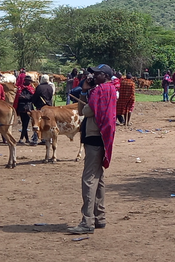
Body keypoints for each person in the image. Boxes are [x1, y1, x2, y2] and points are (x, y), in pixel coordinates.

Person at [69, 64, 117, 235]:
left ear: (104, 75)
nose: (93, 76)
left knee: (88, 179)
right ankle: (100, 217)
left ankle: (87, 221)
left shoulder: (99, 91)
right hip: (103, 137)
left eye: (97, 74)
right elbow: (84, 109)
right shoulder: (110, 89)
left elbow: (86, 111)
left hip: (93, 136)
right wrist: (84, 91)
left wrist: (86, 91)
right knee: (99, 177)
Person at [16, 75, 37, 144]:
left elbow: (31, 98)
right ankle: (22, 139)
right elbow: (19, 97)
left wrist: (24, 97)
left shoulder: (31, 89)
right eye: (28, 81)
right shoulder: (20, 88)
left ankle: (24, 139)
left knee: (25, 124)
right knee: (24, 124)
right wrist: (26, 97)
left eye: (30, 81)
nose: (29, 82)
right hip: (22, 108)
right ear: (25, 81)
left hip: (28, 108)